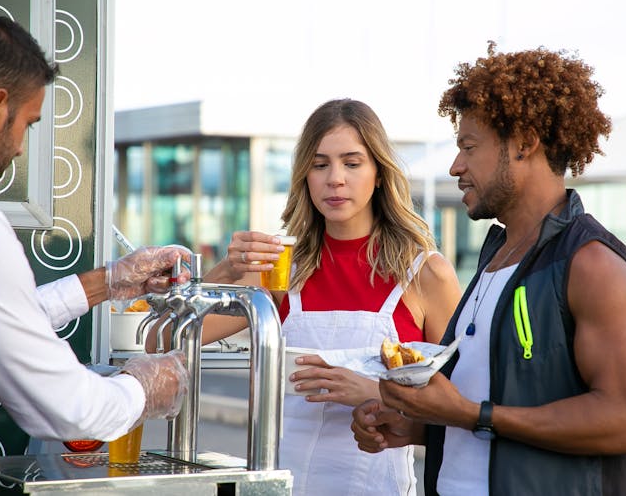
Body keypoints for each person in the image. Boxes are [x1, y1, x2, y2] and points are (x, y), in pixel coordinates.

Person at [351, 41, 626, 495]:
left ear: (525, 143)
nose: (457, 166)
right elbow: (491, 412)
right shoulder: (496, 256)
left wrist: (469, 415)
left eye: (469, 146)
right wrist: (420, 427)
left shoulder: (591, 262)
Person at [167, 98, 462, 495]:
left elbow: (459, 409)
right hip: (283, 486)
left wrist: (374, 392)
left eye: (352, 163)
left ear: (378, 174)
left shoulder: (426, 273)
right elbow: (166, 340)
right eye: (320, 164)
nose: (334, 178)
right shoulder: (280, 268)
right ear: (305, 175)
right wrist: (226, 271)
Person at [0, 14, 189, 495]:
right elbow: (67, 408)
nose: (18, 149)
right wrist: (143, 385)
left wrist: (109, 281)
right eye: (29, 124)